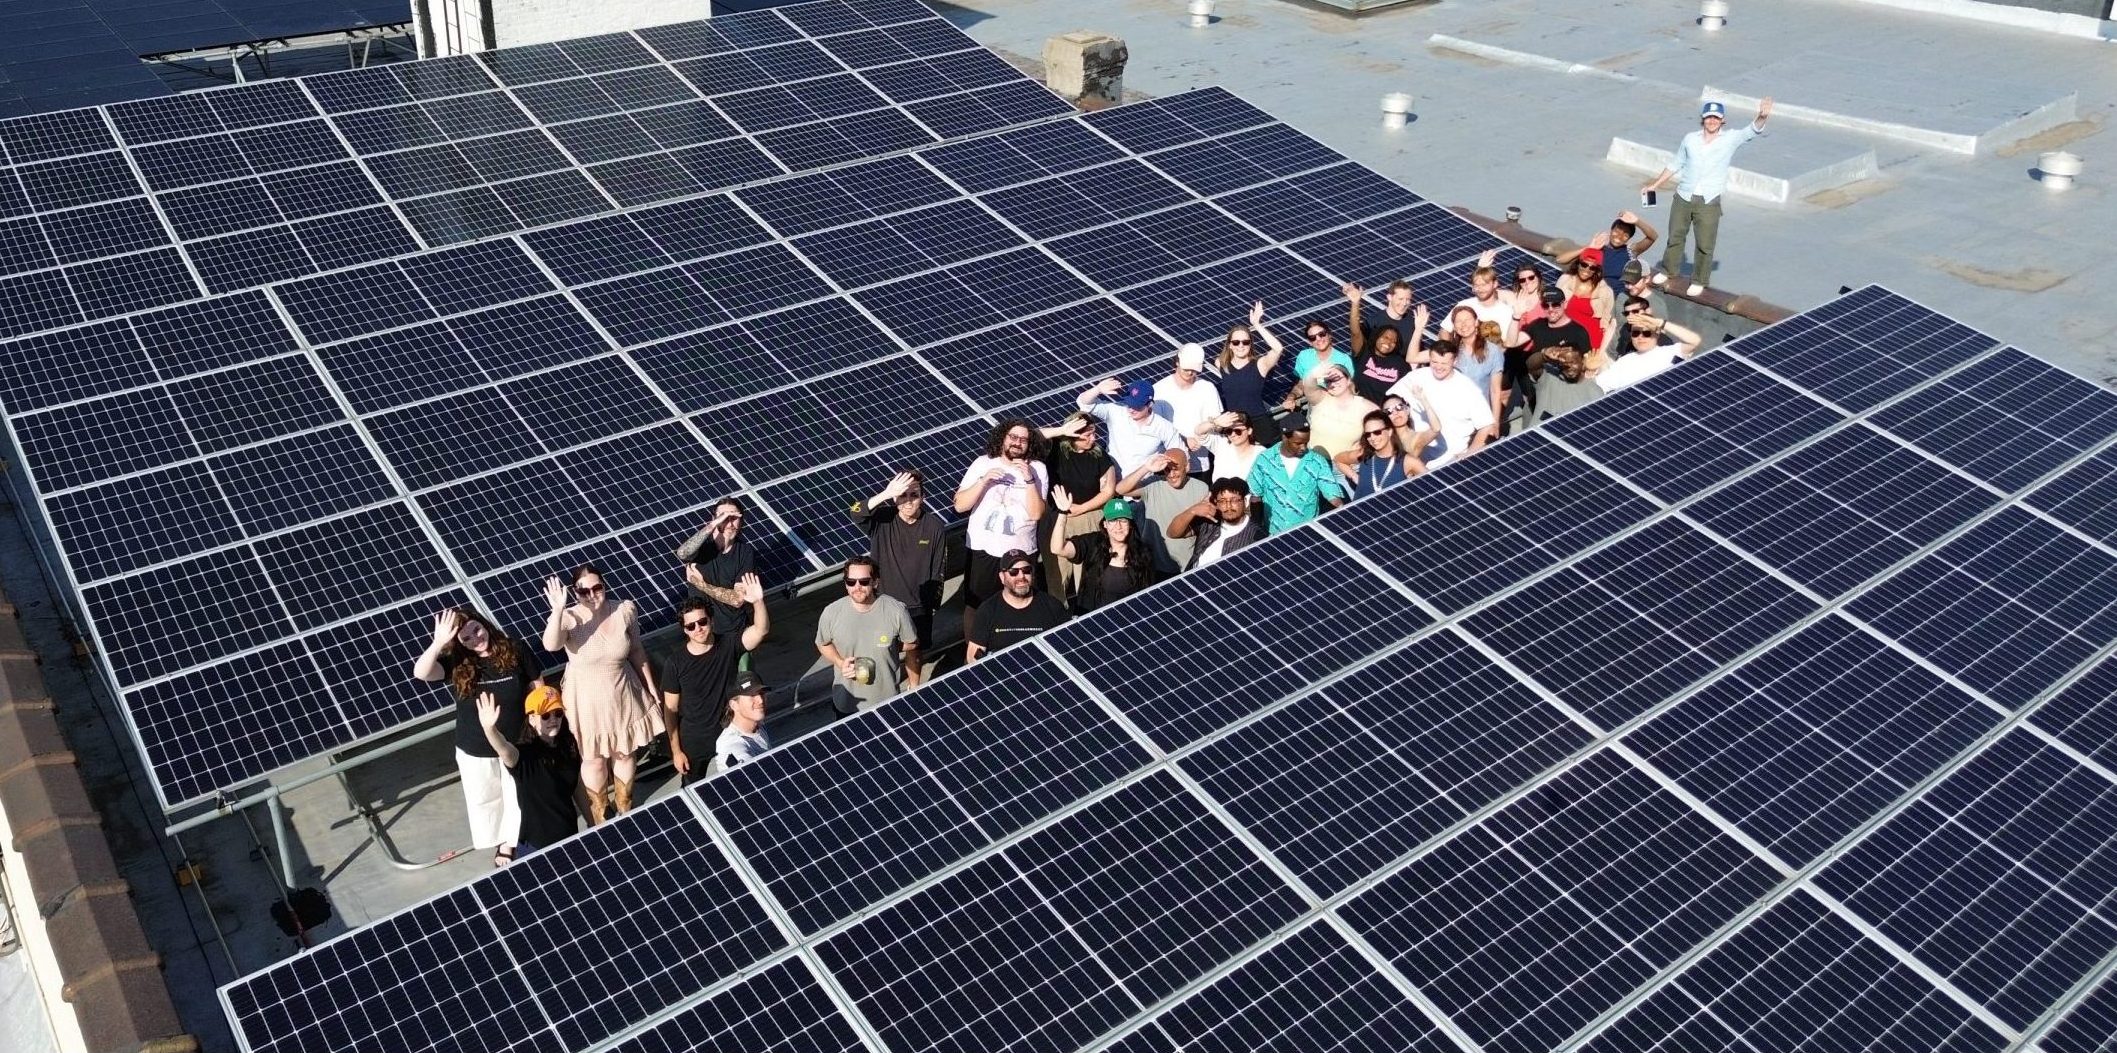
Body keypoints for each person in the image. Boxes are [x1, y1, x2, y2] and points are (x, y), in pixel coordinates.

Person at [413, 607, 541, 867]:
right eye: (465, 638)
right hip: (475, 747)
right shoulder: (457, 664)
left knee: (517, 793)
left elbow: (537, 683)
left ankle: (512, 842)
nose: (475, 638)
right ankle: (500, 840)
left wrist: (538, 718)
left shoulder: (515, 649)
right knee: (487, 799)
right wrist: (438, 642)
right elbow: (421, 673)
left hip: (515, 742)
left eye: (476, 629)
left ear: (484, 624)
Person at [542, 564, 662, 824]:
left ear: (605, 586)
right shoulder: (569, 618)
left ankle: (624, 806)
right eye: (583, 591)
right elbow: (551, 645)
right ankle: (600, 813)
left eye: (597, 588)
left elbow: (637, 651)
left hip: (622, 691)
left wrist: (650, 686)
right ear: (575, 592)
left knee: (625, 752)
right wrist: (557, 610)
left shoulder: (624, 610)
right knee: (594, 759)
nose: (591, 594)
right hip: (586, 700)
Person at [1642, 97, 1774, 295]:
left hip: (1709, 200)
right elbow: (1676, 163)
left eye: (1716, 117)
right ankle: (1669, 270)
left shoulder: (1730, 138)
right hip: (1684, 196)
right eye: (1708, 117)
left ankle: (1700, 279)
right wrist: (1655, 185)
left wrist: (1762, 116)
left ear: (1722, 121)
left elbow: (1751, 131)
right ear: (1702, 119)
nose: (1712, 121)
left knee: (1705, 242)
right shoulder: (1690, 139)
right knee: (1675, 236)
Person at [660, 581, 767, 786]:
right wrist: (676, 751)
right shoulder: (675, 664)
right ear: (684, 630)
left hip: (730, 734)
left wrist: (758, 602)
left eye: (702, 622)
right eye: (690, 626)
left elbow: (760, 631)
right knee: (694, 792)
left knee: (739, 787)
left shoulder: (729, 644)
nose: (698, 629)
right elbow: (670, 709)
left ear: (711, 620)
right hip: (695, 742)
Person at [955, 419, 1048, 641]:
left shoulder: (1037, 469)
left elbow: (1037, 513)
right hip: (982, 550)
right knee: (976, 603)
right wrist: (983, 481)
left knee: (1020, 599)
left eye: (1023, 439)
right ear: (1003, 438)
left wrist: (1028, 480)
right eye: (1013, 437)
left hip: (1021, 552)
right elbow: (960, 505)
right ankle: (974, 649)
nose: (1017, 443)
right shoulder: (982, 463)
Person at [851, 469, 945, 674]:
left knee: (915, 649)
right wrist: (885, 494)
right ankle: (885, 686)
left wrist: (932, 604)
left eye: (914, 495)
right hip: (883, 603)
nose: (908, 501)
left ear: (923, 497)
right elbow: (856, 512)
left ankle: (913, 687)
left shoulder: (934, 526)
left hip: (918, 604)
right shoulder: (882, 520)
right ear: (895, 497)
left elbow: (937, 569)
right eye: (903, 495)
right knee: (883, 649)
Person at [477, 682, 581, 858]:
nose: (553, 719)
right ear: (532, 719)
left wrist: (595, 823)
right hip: (536, 848)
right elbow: (504, 750)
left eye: (558, 713)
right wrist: (490, 730)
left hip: (569, 837)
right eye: (545, 715)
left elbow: (578, 788)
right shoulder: (525, 756)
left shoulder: (568, 746)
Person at [815, 556, 920, 719]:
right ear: (845, 584)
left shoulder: (895, 611)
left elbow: (912, 644)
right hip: (847, 704)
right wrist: (840, 662)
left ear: (875, 582)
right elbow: (823, 643)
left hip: (887, 702)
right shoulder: (831, 613)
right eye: (851, 582)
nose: (857, 587)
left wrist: (914, 685)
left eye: (864, 581)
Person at [1040, 411, 1117, 606]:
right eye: (1087, 434)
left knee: (1085, 571)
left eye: (1094, 432)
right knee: (1057, 572)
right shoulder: (1054, 450)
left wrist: (1082, 508)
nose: (1093, 438)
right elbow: (1031, 435)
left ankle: (1084, 607)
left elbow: (1108, 490)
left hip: (1088, 517)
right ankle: (1057, 609)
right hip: (1056, 518)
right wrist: (1061, 430)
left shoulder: (1099, 454)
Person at [1387, 342, 1494, 467]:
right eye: (1434, 362)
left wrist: (1470, 453)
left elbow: (1486, 426)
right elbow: (1389, 399)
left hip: (1447, 463)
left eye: (1444, 363)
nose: (1438, 367)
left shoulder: (1469, 390)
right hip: (1412, 459)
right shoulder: (1416, 377)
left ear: (1455, 361)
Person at [1049, 496, 1157, 613]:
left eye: (1123, 520)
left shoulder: (1143, 553)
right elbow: (1058, 548)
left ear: (1130, 524)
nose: (1118, 526)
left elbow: (1148, 596)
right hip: (1095, 620)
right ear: (1105, 524)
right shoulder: (1093, 544)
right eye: (1113, 520)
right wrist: (1062, 513)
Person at [1116, 448, 1209, 574]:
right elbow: (1121, 489)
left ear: (1187, 467)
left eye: (1175, 469)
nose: (1171, 474)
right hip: (1154, 564)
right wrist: (1146, 468)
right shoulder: (1154, 484)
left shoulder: (1201, 488)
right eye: (1167, 469)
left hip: (1186, 563)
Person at [1247, 411, 1344, 533]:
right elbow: (1256, 497)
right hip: (1273, 534)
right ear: (1284, 437)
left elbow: (1333, 497)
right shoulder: (1264, 460)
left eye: (1306, 443)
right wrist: (1255, 528)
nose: (1303, 448)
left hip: (1308, 533)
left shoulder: (1317, 462)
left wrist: (1341, 513)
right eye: (1298, 443)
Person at [965, 550, 1069, 661]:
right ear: (1002, 577)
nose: (1021, 577)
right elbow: (973, 656)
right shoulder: (988, 611)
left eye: (1026, 570)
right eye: (1013, 572)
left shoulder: (1052, 606)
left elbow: (1067, 646)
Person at [676, 500, 757, 638]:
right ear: (714, 518)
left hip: (733, 632)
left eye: (734, 518)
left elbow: (737, 599)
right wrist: (714, 524)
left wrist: (701, 584)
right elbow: (683, 553)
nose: (730, 523)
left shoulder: (745, 552)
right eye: (724, 518)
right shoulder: (702, 545)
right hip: (702, 631)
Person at [1075, 377, 1184, 477]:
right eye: (1129, 404)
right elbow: (1083, 403)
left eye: (1137, 406)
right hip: (1111, 482)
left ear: (1149, 405)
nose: (1131, 409)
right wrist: (1098, 389)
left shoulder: (1164, 427)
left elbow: (1179, 454)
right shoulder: (1117, 411)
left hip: (1142, 487)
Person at [1212, 301, 1285, 446]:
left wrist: (1257, 325)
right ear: (1230, 345)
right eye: (1236, 342)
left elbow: (1278, 348)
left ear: (1250, 344)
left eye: (1245, 342)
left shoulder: (1260, 365)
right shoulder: (1221, 364)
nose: (1241, 346)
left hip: (1259, 424)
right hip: (1235, 425)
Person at [1153, 343, 1224, 472]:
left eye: (1194, 370)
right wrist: (1184, 441)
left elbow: (1216, 422)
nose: (1190, 373)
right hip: (1169, 464)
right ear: (1177, 362)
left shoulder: (1207, 388)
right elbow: (1156, 426)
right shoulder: (1159, 390)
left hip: (1201, 462)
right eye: (1186, 369)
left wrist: (1202, 436)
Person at [1168, 478, 1266, 569]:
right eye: (1222, 501)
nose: (1228, 506)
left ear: (1245, 501)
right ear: (1216, 503)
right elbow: (1172, 533)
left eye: (1234, 500)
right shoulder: (1209, 522)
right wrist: (1191, 511)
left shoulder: (1257, 536)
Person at [1558, 212, 1658, 301]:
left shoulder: (1631, 251)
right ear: (1611, 230)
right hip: (1593, 297)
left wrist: (1637, 221)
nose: (1619, 236)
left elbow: (1652, 237)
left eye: (1625, 235)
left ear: (1629, 238)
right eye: (1617, 231)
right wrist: (1588, 247)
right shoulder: (1598, 249)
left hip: (1617, 300)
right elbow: (1560, 259)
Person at [1598, 310, 1703, 392]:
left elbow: (1694, 341)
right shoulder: (1624, 361)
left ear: (1657, 333)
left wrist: (1660, 323)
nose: (1640, 337)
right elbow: (1601, 386)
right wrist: (1590, 371)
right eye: (1635, 333)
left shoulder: (1670, 352)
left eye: (1647, 333)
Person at [1338, 409, 1427, 499]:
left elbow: (1435, 486)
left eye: (1377, 432)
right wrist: (1354, 476)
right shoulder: (1364, 455)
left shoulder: (1408, 461)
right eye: (1368, 434)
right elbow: (1338, 459)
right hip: (1359, 512)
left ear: (1389, 431)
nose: (1372, 438)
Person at [1350, 300, 1422, 404]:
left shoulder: (1400, 365)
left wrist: (1419, 328)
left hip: (1383, 415)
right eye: (1386, 337)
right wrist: (1355, 303)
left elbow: (1407, 391)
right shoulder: (1364, 353)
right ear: (1376, 337)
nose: (1389, 342)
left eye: (1394, 341)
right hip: (1359, 409)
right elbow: (1355, 332)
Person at [1306, 364, 1380, 460]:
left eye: (1336, 378)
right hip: (1313, 461)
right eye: (1328, 381)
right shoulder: (1320, 398)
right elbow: (1308, 386)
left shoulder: (1367, 407)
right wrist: (1313, 374)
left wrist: (1365, 447)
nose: (1333, 383)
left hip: (1343, 466)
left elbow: (1383, 432)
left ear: (1348, 380)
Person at [1286, 318, 1356, 408]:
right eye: (1312, 337)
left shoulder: (1344, 360)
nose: (1318, 339)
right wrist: (1291, 397)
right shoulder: (1304, 356)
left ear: (1329, 335)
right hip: (1314, 408)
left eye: (1322, 334)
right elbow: (1301, 384)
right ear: (1310, 342)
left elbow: (1351, 389)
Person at [1558, 250, 1616, 354]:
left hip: (1590, 339)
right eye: (1584, 264)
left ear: (1596, 270)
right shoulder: (1565, 280)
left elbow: (1607, 321)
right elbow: (1553, 305)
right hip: (1563, 333)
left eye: (1592, 267)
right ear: (1578, 264)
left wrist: (1600, 352)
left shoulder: (1606, 291)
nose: (1587, 269)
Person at [712, 673, 770, 774]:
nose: (760, 700)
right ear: (734, 705)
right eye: (752, 695)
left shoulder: (758, 724)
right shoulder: (730, 745)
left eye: (761, 693)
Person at [1345, 279, 1422, 353]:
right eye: (1400, 299)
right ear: (1389, 297)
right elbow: (1357, 341)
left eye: (1408, 299)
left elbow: (1415, 354)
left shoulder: (1413, 324)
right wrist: (1355, 303)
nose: (1404, 303)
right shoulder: (1373, 321)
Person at [1201, 410, 1265, 487]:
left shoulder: (1261, 453)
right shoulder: (1221, 445)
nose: (1233, 434)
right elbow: (1199, 433)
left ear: (1249, 431)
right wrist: (1215, 423)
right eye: (1229, 431)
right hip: (1219, 497)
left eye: (1238, 431)